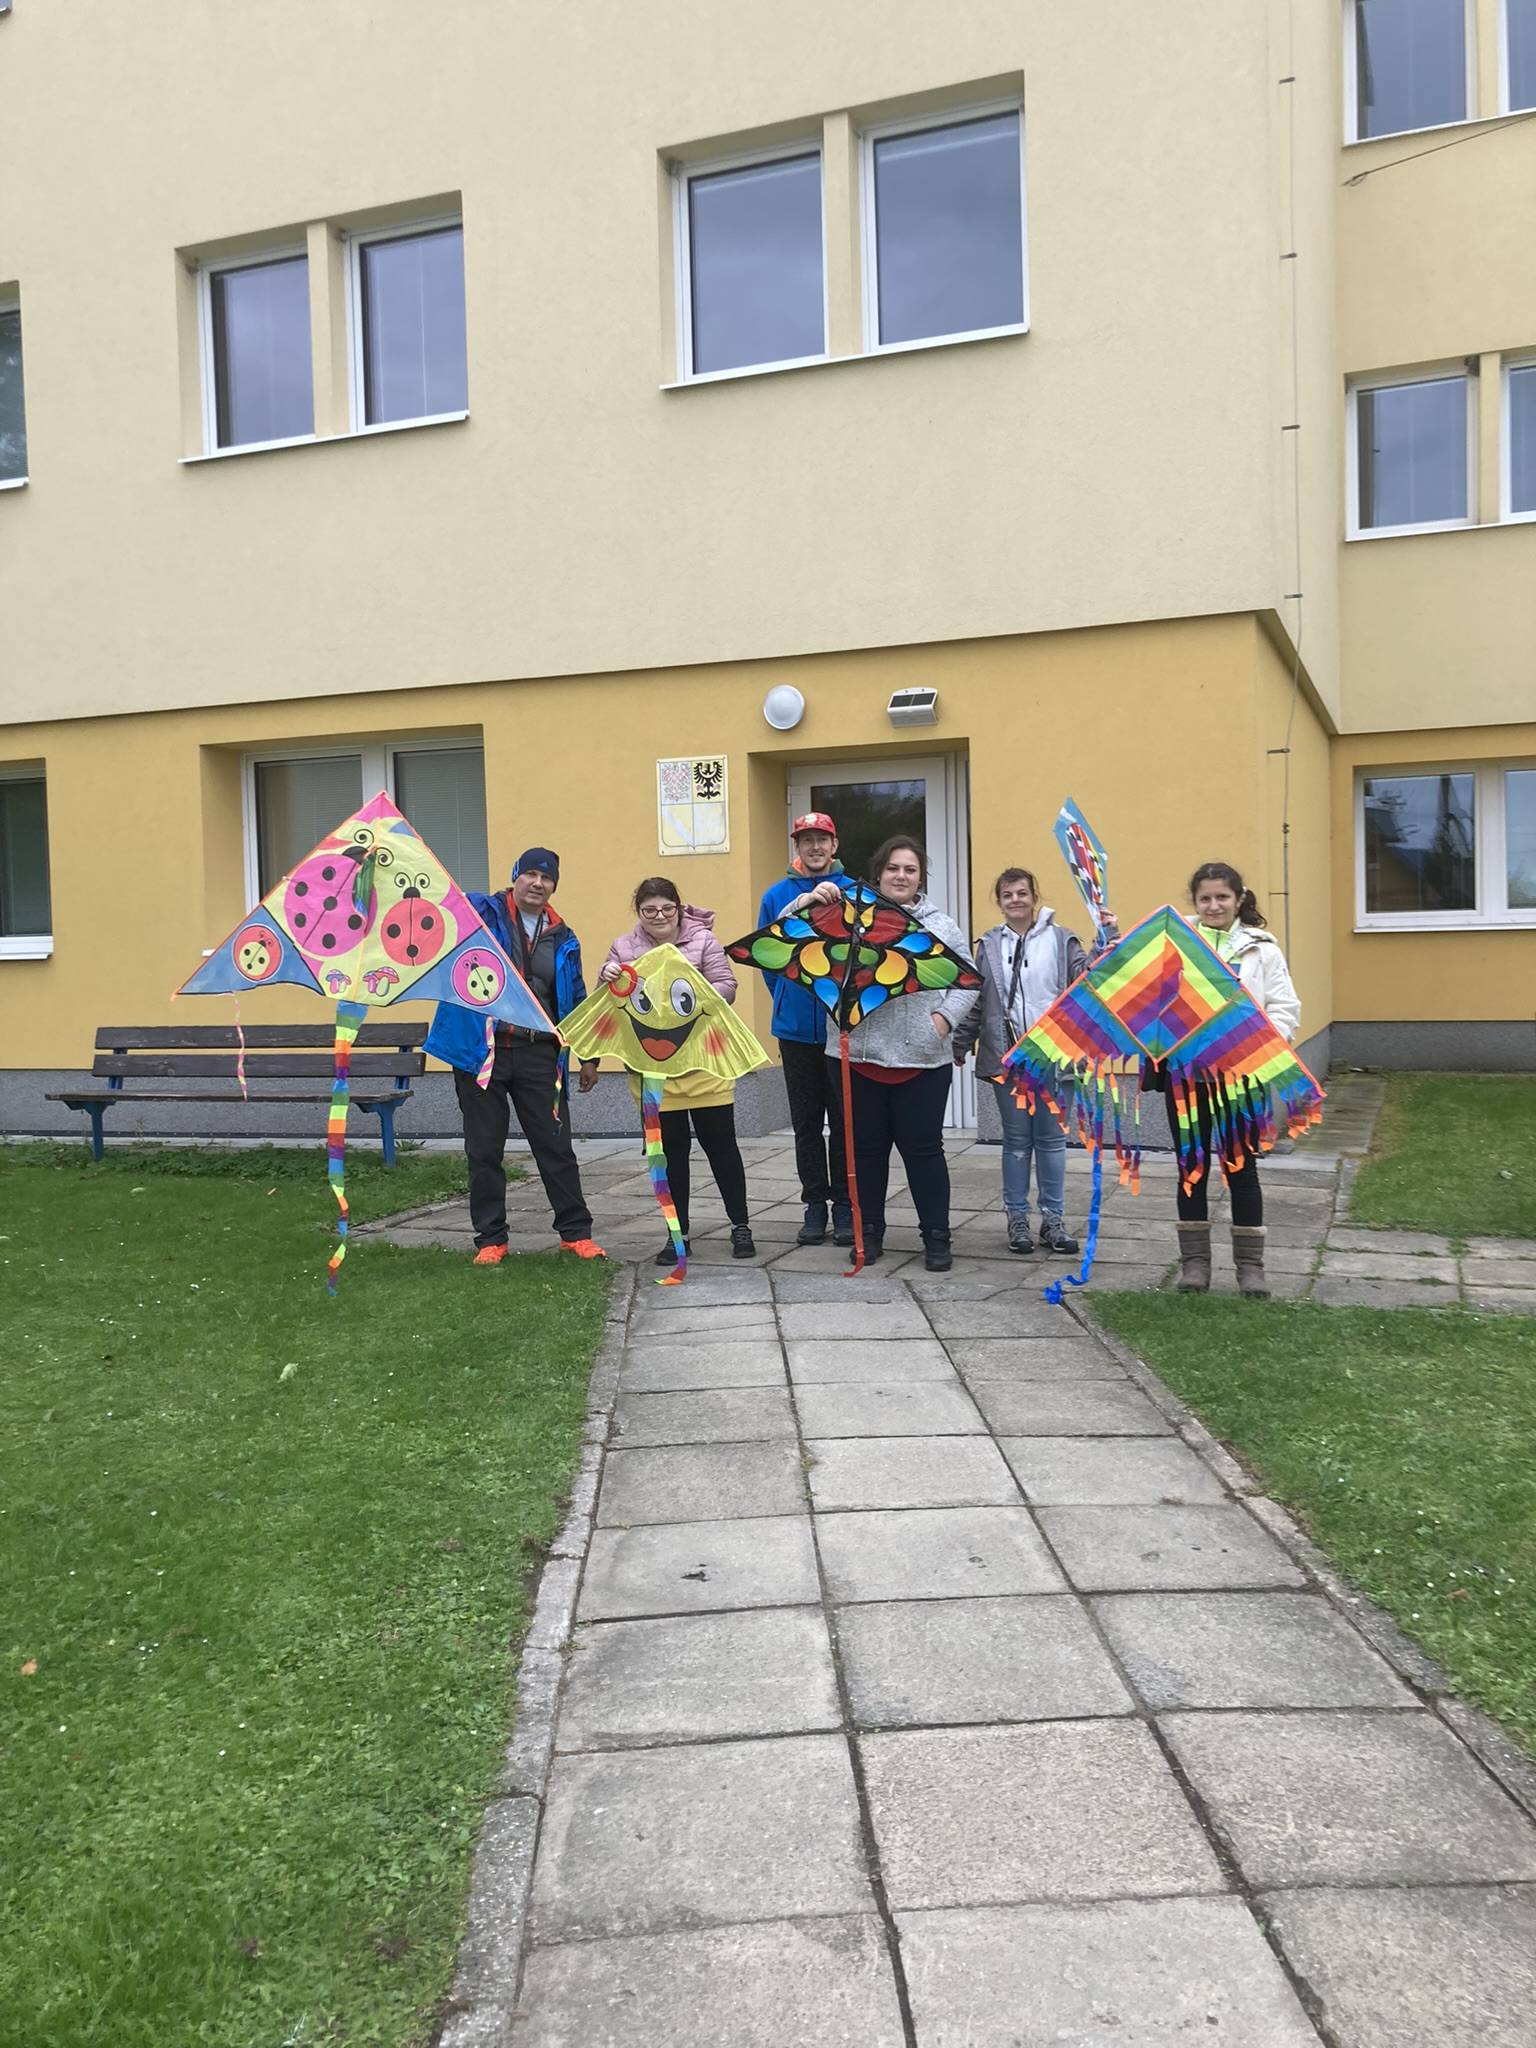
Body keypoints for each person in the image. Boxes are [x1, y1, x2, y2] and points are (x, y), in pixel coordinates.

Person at [792, 835, 978, 1272]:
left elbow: (968, 980)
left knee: (924, 1152)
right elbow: (789, 936)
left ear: (921, 877)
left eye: (910, 869)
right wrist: (808, 901)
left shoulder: (940, 925)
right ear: (879, 872)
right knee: (866, 1153)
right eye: (893, 868)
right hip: (857, 1056)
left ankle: (936, 1237)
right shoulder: (848, 915)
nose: (901, 876)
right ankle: (868, 1234)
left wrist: (942, 1021)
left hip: (922, 1060)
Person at [424, 847, 606, 1266]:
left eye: (547, 878)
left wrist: (589, 1056)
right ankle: (491, 1239)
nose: (538, 884)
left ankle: (576, 1235)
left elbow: (576, 999)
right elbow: (440, 904)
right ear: (515, 877)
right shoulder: (482, 914)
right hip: (481, 1052)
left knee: (556, 1147)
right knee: (484, 1150)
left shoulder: (564, 937)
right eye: (530, 875)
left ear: (554, 886)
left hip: (539, 1054)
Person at [1155, 860, 1301, 1299]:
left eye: (1222, 897)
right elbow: (1145, 991)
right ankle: (1195, 1266)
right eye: (1205, 898)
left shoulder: (1262, 950)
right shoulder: (1176, 944)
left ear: (1238, 900)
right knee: (1191, 1169)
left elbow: (1284, 1007)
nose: (1214, 905)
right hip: (1187, 1077)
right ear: (1195, 902)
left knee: (1242, 1170)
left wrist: (1258, 1045)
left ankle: (1250, 1268)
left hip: (1242, 1077)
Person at [953, 866, 1110, 1257]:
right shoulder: (989, 945)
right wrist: (961, 1042)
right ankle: (1018, 1218)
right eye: (1008, 895)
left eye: (1022, 893)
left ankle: (1053, 1221)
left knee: (1052, 1141)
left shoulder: (1061, 939)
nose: (1016, 900)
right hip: (1009, 1059)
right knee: (1017, 1142)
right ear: (999, 901)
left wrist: (1106, 939)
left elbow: (1087, 982)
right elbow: (978, 999)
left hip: (1055, 1058)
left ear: (1034, 897)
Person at [600, 878, 756, 1265]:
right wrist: (607, 975)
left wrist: (695, 995)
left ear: (679, 908)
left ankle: (740, 1226)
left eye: (667, 908)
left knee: (722, 1149)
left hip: (704, 1063)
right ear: (638, 912)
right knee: (670, 1155)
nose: (659, 916)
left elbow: (728, 985)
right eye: (649, 910)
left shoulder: (702, 941)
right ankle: (677, 1234)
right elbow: (608, 999)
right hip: (654, 1070)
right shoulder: (623, 946)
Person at [754, 811, 853, 1248]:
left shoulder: (853, 892)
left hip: (841, 1030)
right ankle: (814, 1205)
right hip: (794, 1031)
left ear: (834, 845)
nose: (815, 847)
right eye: (806, 840)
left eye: (822, 839)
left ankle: (845, 1206)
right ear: (797, 846)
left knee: (845, 1124)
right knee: (806, 1125)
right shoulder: (776, 896)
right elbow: (768, 958)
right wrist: (785, 998)